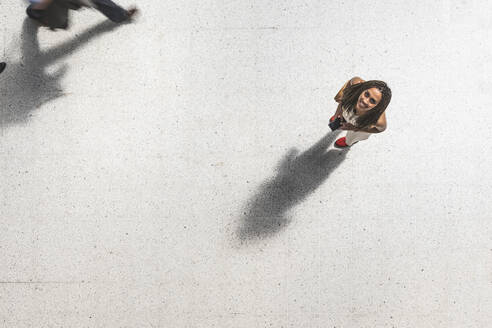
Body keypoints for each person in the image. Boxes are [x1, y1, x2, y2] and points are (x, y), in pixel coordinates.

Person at [330, 77, 392, 148]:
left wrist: (356, 128)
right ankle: (344, 117)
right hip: (351, 109)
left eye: (372, 101)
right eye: (366, 94)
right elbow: (351, 83)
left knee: (353, 136)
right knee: (344, 115)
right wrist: (340, 109)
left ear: (378, 106)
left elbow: (380, 129)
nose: (365, 101)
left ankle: (348, 141)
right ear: (363, 89)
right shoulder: (357, 83)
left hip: (362, 123)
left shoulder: (378, 120)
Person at [26, 0, 138, 28]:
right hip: (47, 5)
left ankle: (120, 14)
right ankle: (40, 16)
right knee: (62, 24)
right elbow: (38, 3)